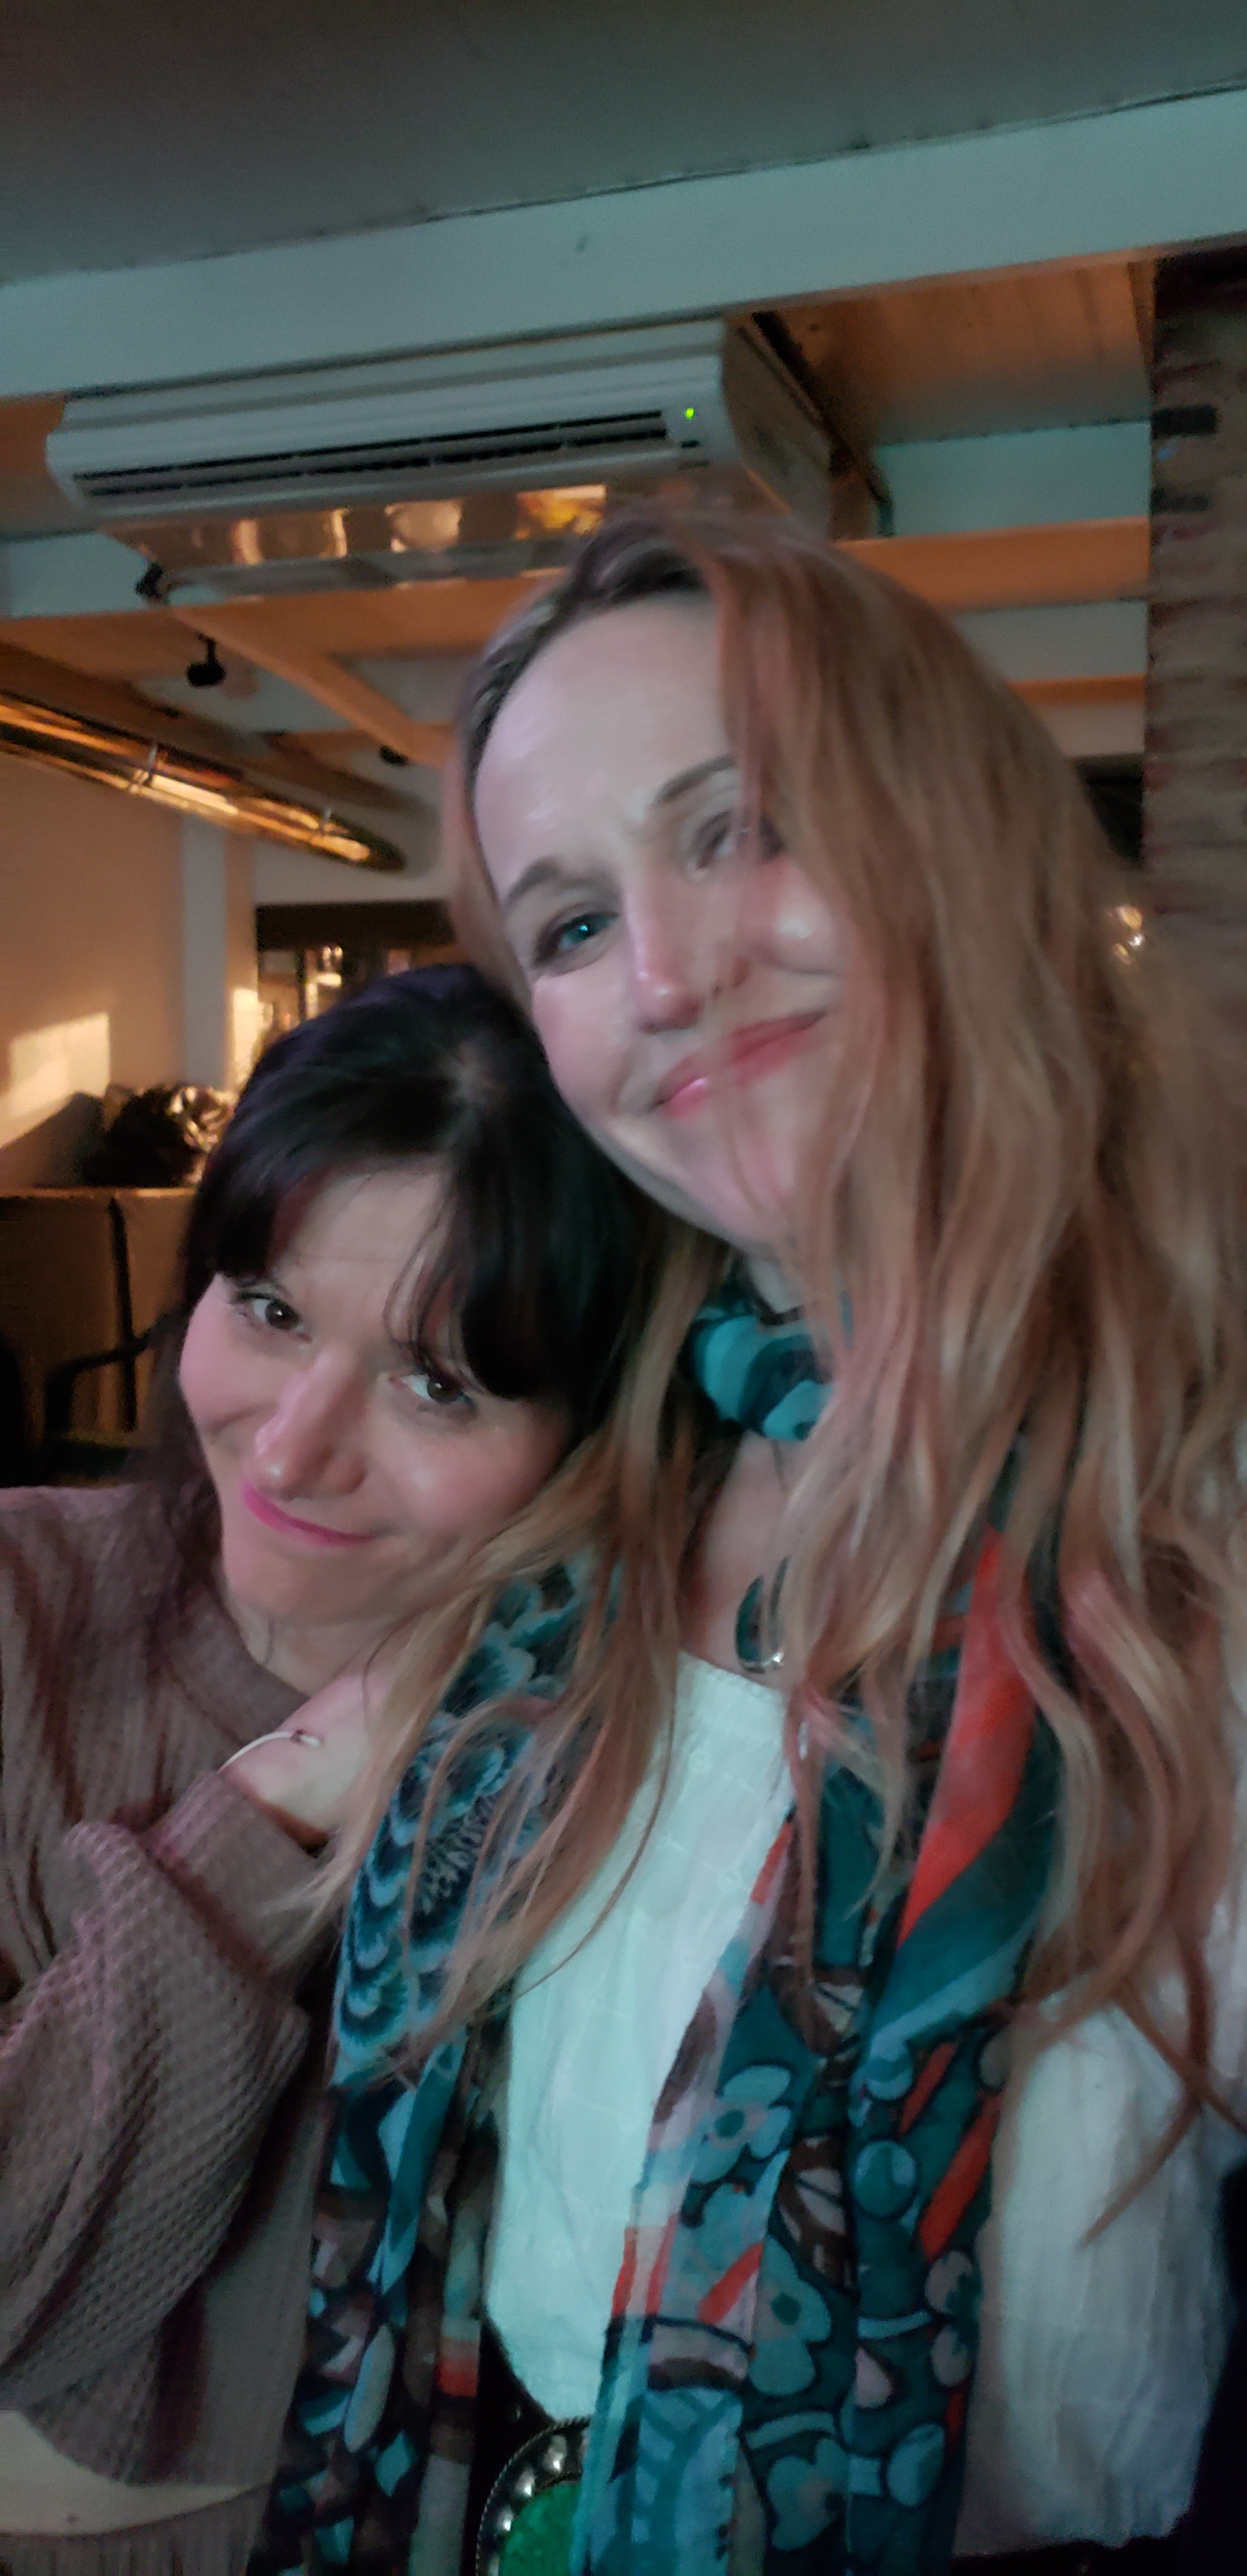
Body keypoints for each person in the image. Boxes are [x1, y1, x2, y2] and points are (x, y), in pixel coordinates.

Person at [257, 515, 1247, 2576]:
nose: (668, 974)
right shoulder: (597, 1499)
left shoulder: (1204, 1527)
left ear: (953, 831)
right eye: (572, 925)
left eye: (741, 828)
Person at [0, 962, 675, 2576]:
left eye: (437, 1382)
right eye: (271, 1309)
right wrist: (282, 1795)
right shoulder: (22, 1603)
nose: (292, 1449)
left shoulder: (618, 1759)